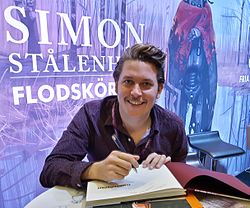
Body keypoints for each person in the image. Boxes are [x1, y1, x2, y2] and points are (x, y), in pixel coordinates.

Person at [40, 43, 188, 189]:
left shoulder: (174, 126)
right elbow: (50, 170)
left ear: (159, 89)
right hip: (102, 206)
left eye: (146, 84)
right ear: (116, 84)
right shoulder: (91, 115)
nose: (136, 92)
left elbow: (183, 181)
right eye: (128, 82)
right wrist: (94, 170)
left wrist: (169, 171)